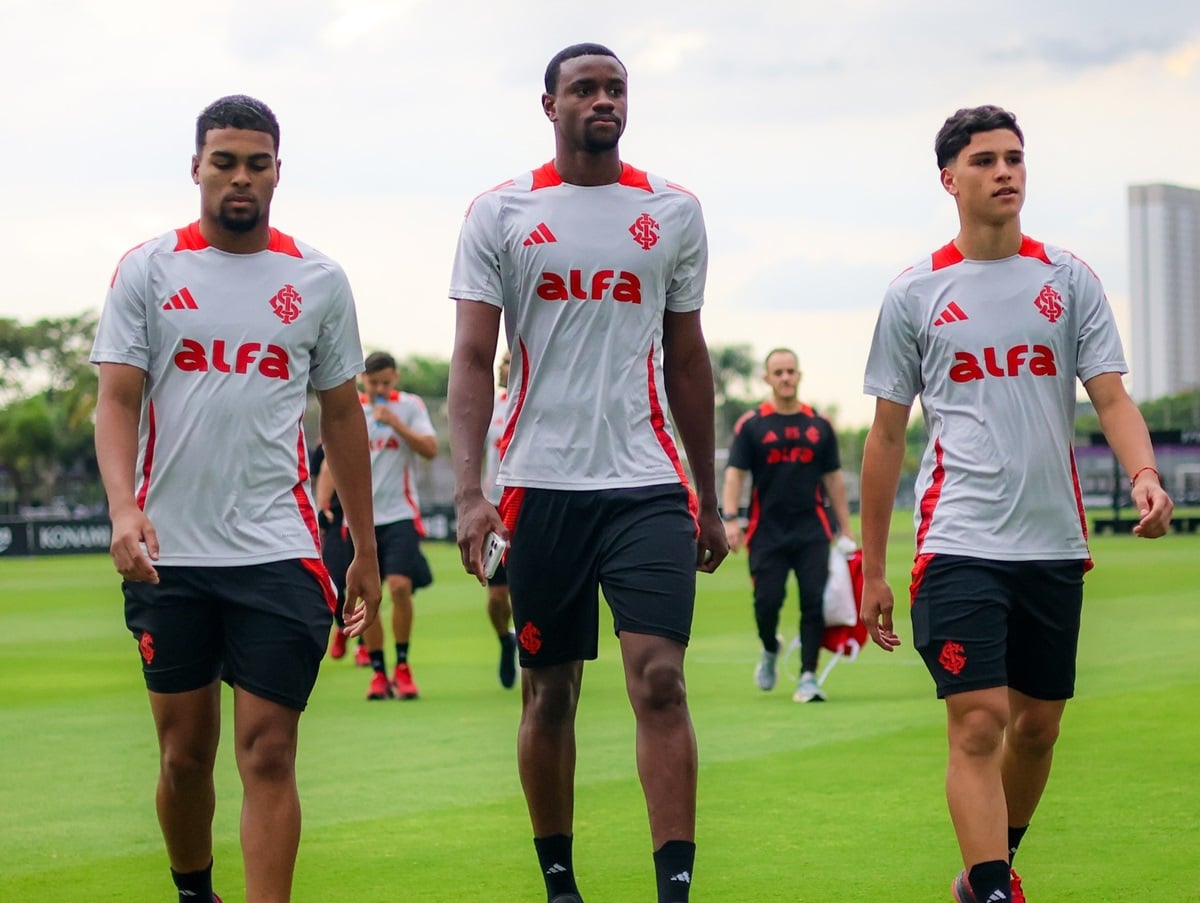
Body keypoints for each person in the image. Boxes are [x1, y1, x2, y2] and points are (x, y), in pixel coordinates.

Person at [859, 105, 1174, 903]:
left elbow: (1110, 396)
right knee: (977, 720)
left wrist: (1144, 473)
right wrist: (872, 567)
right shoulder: (915, 294)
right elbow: (886, 439)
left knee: (1038, 727)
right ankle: (998, 891)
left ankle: (984, 869)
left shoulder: (1067, 280)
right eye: (987, 160)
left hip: (1053, 543)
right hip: (958, 539)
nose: (1006, 172)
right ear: (950, 179)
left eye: (1015, 158)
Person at [447, 43, 728, 903]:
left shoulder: (671, 210)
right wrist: (471, 491)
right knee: (550, 692)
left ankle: (673, 887)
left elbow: (687, 358)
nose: (603, 100)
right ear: (550, 105)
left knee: (660, 676)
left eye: (616, 88)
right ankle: (560, 882)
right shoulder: (501, 212)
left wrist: (708, 496)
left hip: (645, 483)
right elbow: (470, 355)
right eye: (585, 89)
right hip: (538, 483)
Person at [91, 94, 381, 903]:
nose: (240, 178)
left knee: (268, 752)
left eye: (257, 163)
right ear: (196, 169)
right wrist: (121, 506)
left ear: (278, 172)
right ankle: (195, 891)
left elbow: (341, 413)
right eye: (225, 162)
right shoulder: (148, 270)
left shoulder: (317, 279)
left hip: (278, 549)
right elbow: (115, 402)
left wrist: (363, 542)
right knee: (184, 757)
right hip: (169, 553)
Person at [722, 348, 854, 702]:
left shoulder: (818, 424)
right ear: (767, 378)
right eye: (778, 372)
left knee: (814, 602)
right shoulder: (752, 425)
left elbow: (834, 480)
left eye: (790, 371)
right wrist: (731, 519)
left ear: (799, 375)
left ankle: (808, 677)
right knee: (767, 602)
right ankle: (769, 649)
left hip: (812, 531)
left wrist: (846, 529)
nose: (785, 378)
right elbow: (735, 474)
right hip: (766, 532)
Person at [317, 351, 438, 700]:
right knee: (366, 596)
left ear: (395, 378)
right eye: (374, 384)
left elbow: (430, 449)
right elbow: (329, 464)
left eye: (386, 383)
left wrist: (396, 424)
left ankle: (402, 665)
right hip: (360, 521)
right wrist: (323, 505)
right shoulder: (351, 409)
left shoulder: (411, 406)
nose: (381, 389)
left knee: (400, 587)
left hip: (400, 513)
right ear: (363, 381)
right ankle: (378, 672)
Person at [310, 439, 370, 667]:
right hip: (335, 521)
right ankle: (344, 626)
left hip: (363, 518)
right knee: (333, 580)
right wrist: (322, 507)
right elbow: (317, 473)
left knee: (365, 583)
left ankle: (364, 643)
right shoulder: (324, 442)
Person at [483, 348, 519, 688]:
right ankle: (505, 640)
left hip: (532, 506)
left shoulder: (539, 401)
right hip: (496, 510)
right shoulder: (491, 406)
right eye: (502, 363)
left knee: (532, 588)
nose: (505, 368)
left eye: (510, 361)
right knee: (497, 596)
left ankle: (534, 645)